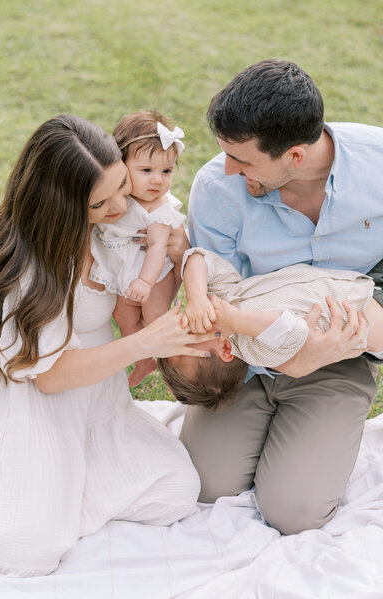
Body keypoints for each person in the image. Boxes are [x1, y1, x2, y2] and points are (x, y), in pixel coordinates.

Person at [0, 114, 215, 577]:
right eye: (100, 202)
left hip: (96, 402)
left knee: (177, 491)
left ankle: (72, 487)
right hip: (38, 406)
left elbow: (163, 262)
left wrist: (172, 255)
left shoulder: (118, 223)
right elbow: (47, 377)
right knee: (24, 553)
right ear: (60, 205)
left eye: (122, 190)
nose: (120, 207)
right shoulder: (31, 269)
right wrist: (144, 343)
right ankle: (48, 489)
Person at [177, 59, 383, 535]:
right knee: (206, 485)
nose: (228, 169)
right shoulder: (217, 188)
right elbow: (212, 283)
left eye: (243, 160)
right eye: (225, 153)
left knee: (294, 512)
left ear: (294, 155)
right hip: (244, 358)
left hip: (338, 357)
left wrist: (328, 348)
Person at [159, 247, 383, 411]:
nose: (185, 324)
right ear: (225, 350)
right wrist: (236, 320)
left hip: (361, 285)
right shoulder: (257, 348)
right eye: (188, 336)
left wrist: (196, 295)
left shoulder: (227, 296)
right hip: (371, 313)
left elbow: (200, 257)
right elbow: (293, 330)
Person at [90, 111, 186, 386]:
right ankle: (144, 360)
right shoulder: (120, 196)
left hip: (153, 276)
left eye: (166, 171)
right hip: (127, 276)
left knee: (156, 319)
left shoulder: (160, 207)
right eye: (146, 171)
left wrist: (145, 282)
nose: (157, 180)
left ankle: (177, 366)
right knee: (123, 316)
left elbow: (157, 245)